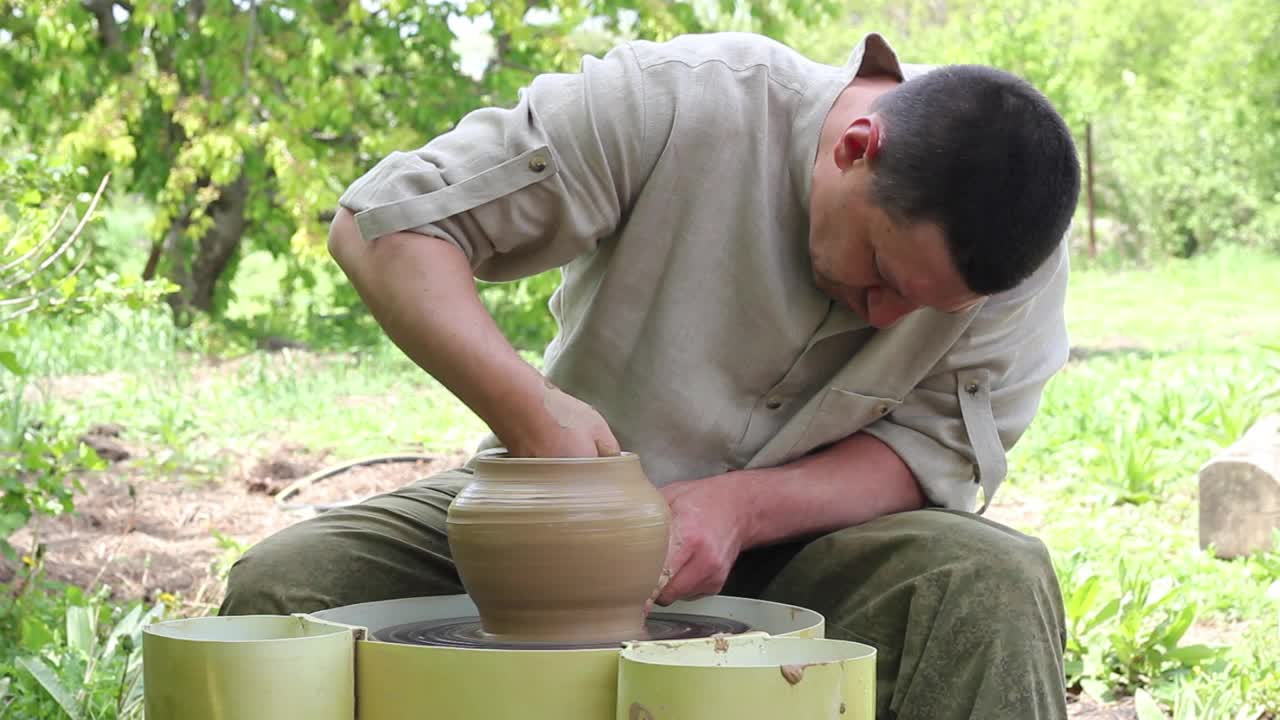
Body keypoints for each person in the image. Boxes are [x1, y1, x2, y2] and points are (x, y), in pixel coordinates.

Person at [221, 29, 1080, 720]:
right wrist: (534, 417)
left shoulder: (1010, 257)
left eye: (925, 309)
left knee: (991, 582)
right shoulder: (681, 102)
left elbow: (929, 449)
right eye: (883, 277)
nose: (887, 319)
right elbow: (385, 225)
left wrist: (743, 509)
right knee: (288, 589)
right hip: (558, 515)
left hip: (810, 554)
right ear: (857, 148)